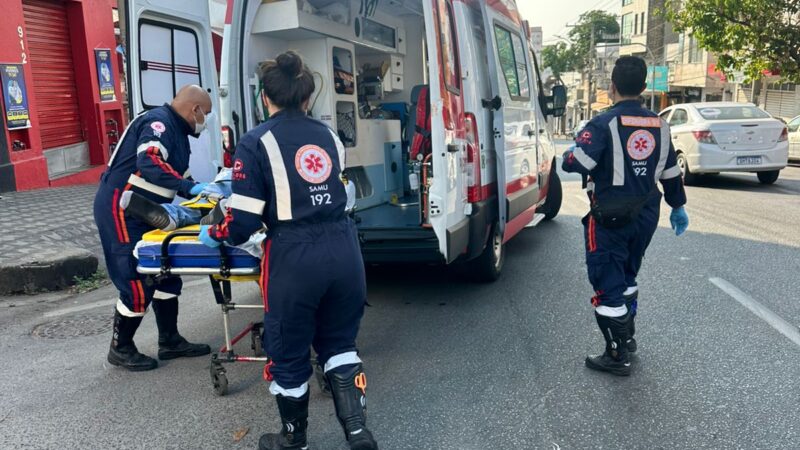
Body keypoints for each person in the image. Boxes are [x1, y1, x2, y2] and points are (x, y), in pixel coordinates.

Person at [199, 51, 377, 450]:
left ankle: (293, 440)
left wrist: (217, 230)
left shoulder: (254, 142)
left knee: (289, 351)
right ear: (307, 98)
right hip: (345, 251)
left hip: (295, 258)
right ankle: (358, 432)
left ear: (266, 98)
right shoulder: (330, 136)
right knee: (340, 344)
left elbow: (243, 222)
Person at [562, 56, 689, 376]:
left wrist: (568, 153)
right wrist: (678, 206)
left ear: (612, 87)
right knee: (628, 274)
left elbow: (577, 163)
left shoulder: (602, 124)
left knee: (606, 282)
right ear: (644, 88)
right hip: (646, 215)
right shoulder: (661, 125)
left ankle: (617, 355)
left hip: (610, 217)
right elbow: (672, 173)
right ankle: (628, 337)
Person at [94, 84, 213, 371]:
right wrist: (189, 186)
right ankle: (120, 348)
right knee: (136, 280)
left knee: (165, 274)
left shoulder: (180, 135)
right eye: (205, 113)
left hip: (151, 212)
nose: (205, 120)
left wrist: (205, 194)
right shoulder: (156, 123)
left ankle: (170, 341)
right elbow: (148, 161)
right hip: (122, 209)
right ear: (194, 109)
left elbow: (178, 175)